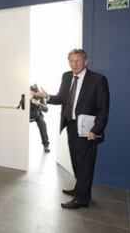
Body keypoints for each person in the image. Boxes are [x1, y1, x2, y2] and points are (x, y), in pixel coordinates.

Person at [36, 49, 109, 209]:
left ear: (86, 61)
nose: (74, 64)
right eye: (71, 61)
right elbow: (62, 98)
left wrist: (96, 130)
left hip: (87, 130)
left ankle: (82, 199)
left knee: (85, 164)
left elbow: (103, 109)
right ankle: (79, 189)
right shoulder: (67, 76)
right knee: (76, 161)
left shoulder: (98, 80)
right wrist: (46, 97)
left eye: (78, 61)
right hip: (70, 125)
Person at [29, 84, 50, 153]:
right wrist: (30, 99)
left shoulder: (40, 97)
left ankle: (46, 145)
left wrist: (38, 104)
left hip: (37, 115)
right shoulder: (27, 96)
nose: (36, 94)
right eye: (33, 92)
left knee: (43, 124)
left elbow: (46, 109)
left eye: (37, 92)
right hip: (27, 115)